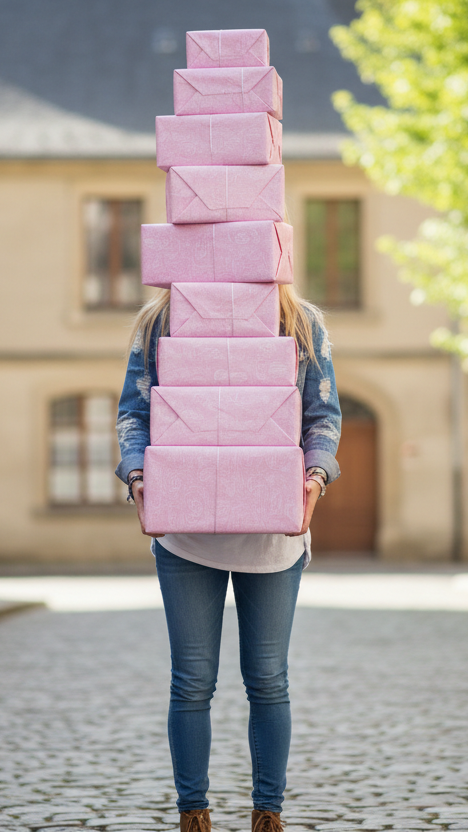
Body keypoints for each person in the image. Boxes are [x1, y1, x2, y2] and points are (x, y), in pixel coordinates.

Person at [116, 283, 341, 832]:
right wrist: (138, 476)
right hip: (186, 534)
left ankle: (268, 815)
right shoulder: (161, 322)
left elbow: (322, 415)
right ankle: (193, 814)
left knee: (268, 680)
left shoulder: (299, 323)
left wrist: (315, 477)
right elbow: (135, 412)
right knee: (192, 681)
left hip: (272, 534)